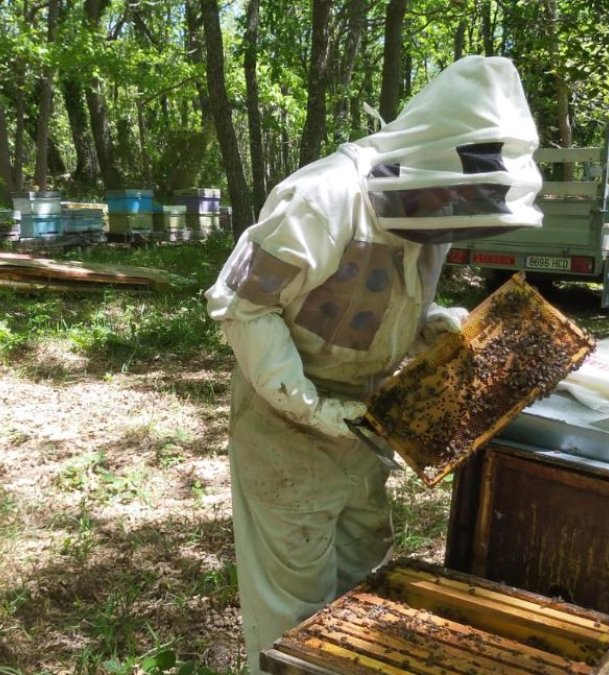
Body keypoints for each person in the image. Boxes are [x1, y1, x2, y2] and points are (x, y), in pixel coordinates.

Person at [205, 55, 543, 673]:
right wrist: (313, 407)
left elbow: (377, 302)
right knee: (294, 604)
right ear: (433, 163)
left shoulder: (427, 209)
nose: (449, 226)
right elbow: (245, 309)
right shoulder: (321, 198)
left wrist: (427, 325)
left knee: (360, 581)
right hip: (286, 426)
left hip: (365, 419)